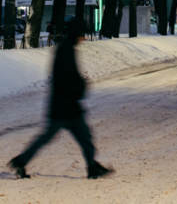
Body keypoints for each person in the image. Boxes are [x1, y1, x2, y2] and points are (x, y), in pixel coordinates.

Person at [9, 18, 112, 180]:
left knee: (76, 138)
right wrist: (80, 87)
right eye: (82, 34)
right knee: (80, 138)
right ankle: (20, 161)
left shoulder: (66, 49)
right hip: (65, 107)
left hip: (64, 105)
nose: (84, 38)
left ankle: (92, 167)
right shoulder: (66, 51)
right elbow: (66, 79)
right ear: (76, 34)